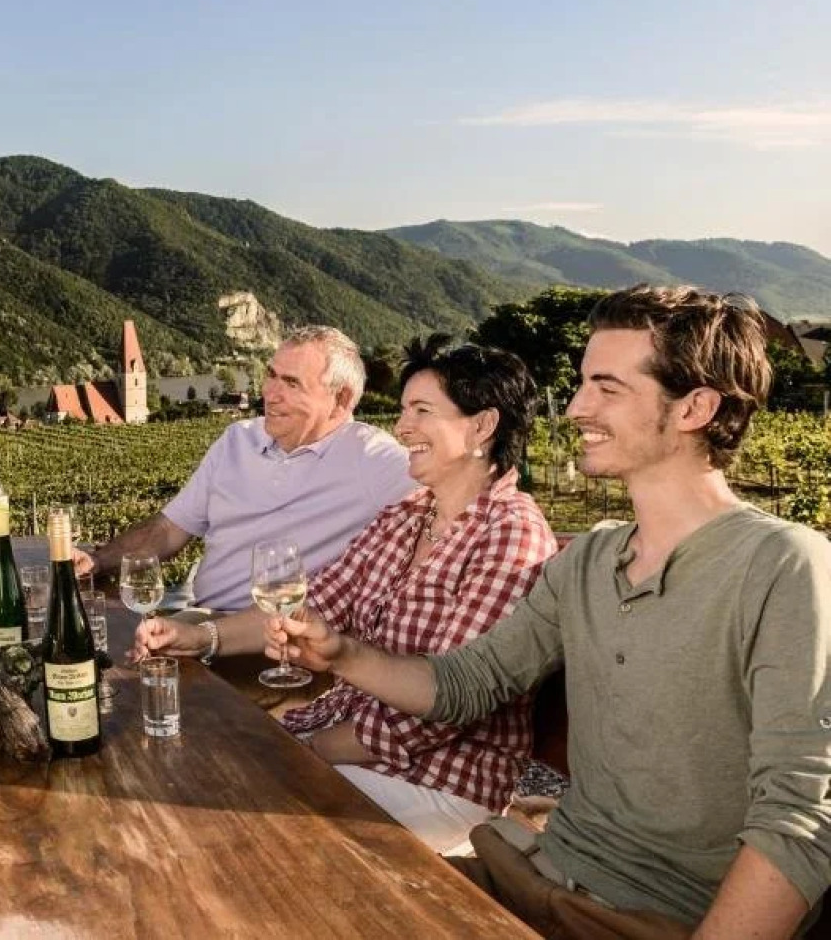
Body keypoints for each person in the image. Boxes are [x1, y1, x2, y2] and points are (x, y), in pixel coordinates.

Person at [272, 286, 831, 937]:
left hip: (647, 916)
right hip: (539, 878)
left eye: (605, 388)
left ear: (694, 408)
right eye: (579, 385)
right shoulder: (589, 560)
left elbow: (800, 820)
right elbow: (463, 685)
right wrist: (341, 654)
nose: (574, 408)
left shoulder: (784, 565)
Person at [137, 340, 555, 851]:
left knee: (223, 815)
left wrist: (309, 745)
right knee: (195, 765)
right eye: (404, 411)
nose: (402, 429)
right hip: (357, 750)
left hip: (436, 783)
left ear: (482, 427)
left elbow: (446, 707)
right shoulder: (405, 517)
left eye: (421, 411)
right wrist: (197, 633)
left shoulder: (511, 535)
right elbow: (312, 607)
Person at [75, 325, 416, 625]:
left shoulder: (372, 458)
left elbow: (458, 489)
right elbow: (167, 530)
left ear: (341, 400)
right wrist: (97, 560)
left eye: (292, 383)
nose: (270, 393)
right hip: (202, 616)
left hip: (281, 640)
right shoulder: (237, 440)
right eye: (271, 375)